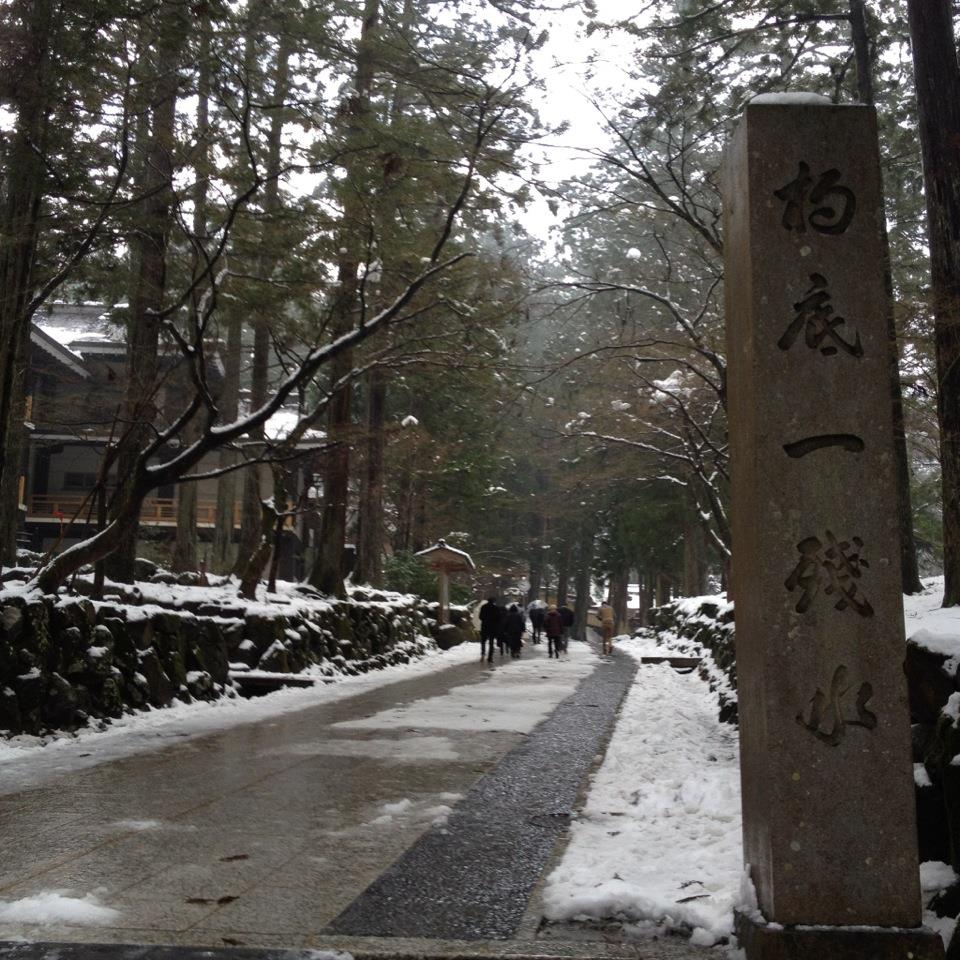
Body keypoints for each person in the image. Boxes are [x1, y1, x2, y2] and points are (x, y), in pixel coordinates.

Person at [478, 596, 501, 664]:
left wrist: (485, 620)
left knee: (483, 641)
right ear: (494, 601)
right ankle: (490, 658)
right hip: (492, 628)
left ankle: (482, 654)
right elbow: (498, 618)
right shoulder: (496, 608)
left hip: (484, 626)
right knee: (491, 643)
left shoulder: (483, 607)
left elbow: (480, 617)